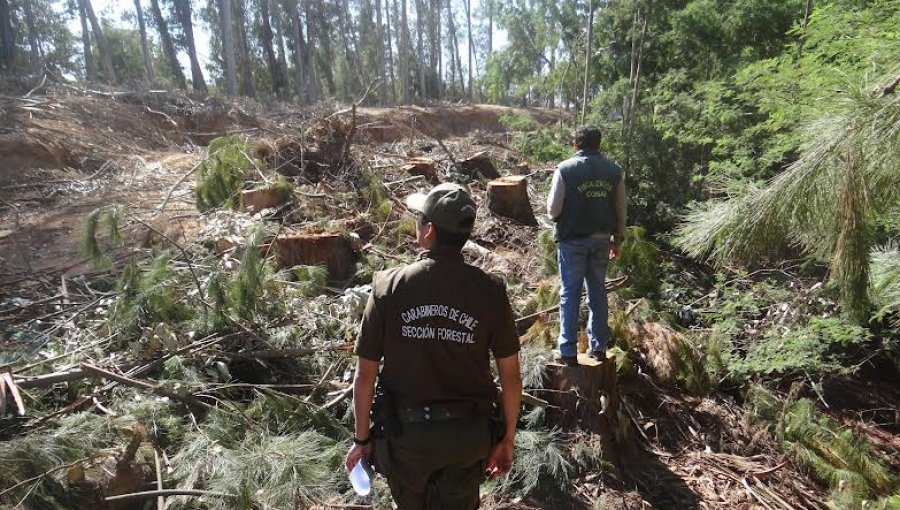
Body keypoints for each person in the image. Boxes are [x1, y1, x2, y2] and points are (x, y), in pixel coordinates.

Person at [345, 182, 523, 510]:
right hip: (468, 439)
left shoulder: (389, 287)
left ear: (428, 231)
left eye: (419, 218)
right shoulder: (491, 291)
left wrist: (361, 440)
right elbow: (511, 377)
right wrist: (507, 440)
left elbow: (365, 376)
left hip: (406, 443)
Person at [546, 125, 626, 366]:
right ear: (599, 145)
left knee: (570, 294)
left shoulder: (565, 169)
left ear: (576, 145)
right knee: (597, 292)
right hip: (602, 239)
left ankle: (567, 351)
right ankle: (599, 347)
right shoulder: (614, 171)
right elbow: (621, 209)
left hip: (572, 240)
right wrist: (618, 238)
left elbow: (553, 210)